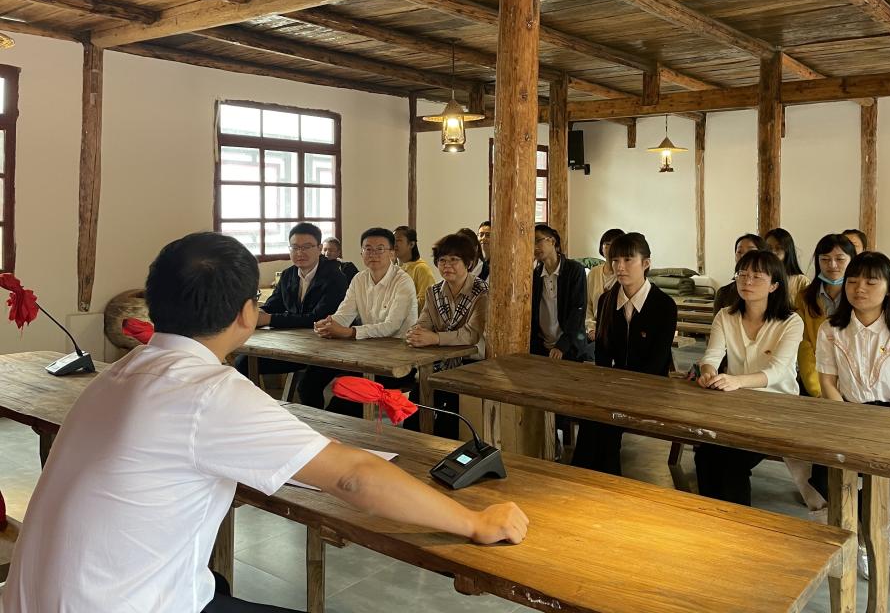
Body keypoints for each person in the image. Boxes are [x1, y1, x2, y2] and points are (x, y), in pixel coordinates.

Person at [0, 232, 527, 613]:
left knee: (220, 585)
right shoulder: (207, 391)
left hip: (37, 598)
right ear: (247, 313)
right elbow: (354, 477)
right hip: (122, 603)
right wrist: (476, 522)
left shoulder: (120, 374)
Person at [815, 251, 890, 578]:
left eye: (870, 282)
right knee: (825, 475)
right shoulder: (831, 329)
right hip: (846, 412)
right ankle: (862, 529)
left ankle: (875, 533)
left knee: (885, 482)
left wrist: (882, 429)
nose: (859, 289)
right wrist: (846, 418)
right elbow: (827, 382)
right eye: (852, 281)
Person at [694, 250, 802, 506]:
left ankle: (736, 524)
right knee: (705, 456)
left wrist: (737, 381)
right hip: (734, 406)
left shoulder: (791, 322)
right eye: (742, 275)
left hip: (777, 408)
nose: (747, 281)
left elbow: (777, 371)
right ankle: (709, 519)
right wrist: (708, 372)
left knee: (732, 463)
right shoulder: (725, 315)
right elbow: (712, 355)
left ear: (774, 285)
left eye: (757, 277)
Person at [571, 233, 677, 474]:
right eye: (615, 260)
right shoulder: (606, 300)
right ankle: (586, 478)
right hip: (614, 384)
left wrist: (621, 388)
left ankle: (598, 480)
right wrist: (606, 386)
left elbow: (658, 360)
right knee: (591, 415)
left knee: (605, 423)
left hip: (650, 386)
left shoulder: (664, 305)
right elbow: (602, 353)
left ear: (646, 263)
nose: (620, 267)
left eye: (628, 260)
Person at [305, 228, 418, 413]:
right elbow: (344, 314)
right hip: (364, 354)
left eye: (380, 249)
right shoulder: (359, 279)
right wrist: (329, 324)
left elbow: (391, 326)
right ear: (361, 253)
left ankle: (339, 428)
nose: (373, 254)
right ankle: (311, 427)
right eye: (368, 249)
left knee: (344, 403)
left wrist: (350, 332)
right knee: (310, 380)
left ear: (392, 253)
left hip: (397, 360)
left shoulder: (403, 281)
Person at [233, 223, 351, 395]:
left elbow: (318, 318)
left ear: (319, 249)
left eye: (306, 247)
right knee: (243, 362)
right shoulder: (288, 274)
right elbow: (273, 305)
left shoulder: (335, 277)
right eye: (295, 247)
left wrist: (270, 319)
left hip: (329, 348)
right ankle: (257, 407)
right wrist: (258, 313)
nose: (300, 253)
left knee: (307, 388)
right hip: (296, 346)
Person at [405, 232, 489, 438]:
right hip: (440, 360)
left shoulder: (482, 292)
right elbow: (424, 322)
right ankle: (414, 448)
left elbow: (471, 334)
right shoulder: (434, 292)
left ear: (468, 263)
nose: (447, 266)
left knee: (449, 419)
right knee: (412, 409)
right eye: (442, 260)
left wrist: (435, 338)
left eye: (454, 260)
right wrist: (416, 333)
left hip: (472, 363)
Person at [794, 234, 857, 398]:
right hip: (816, 381)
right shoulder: (805, 298)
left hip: (856, 385)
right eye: (825, 259)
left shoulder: (860, 297)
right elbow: (805, 345)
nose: (832, 265)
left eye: (840, 259)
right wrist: (818, 388)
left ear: (852, 260)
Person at [530, 224, 587, 362]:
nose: (534, 247)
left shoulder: (575, 270)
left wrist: (562, 345)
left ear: (552, 241)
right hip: (541, 348)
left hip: (569, 347)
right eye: (530, 243)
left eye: (537, 240)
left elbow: (578, 310)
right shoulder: (534, 275)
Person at [585, 228, 626, 342]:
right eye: (606, 244)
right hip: (594, 331)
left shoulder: (625, 275)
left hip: (618, 332)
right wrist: (591, 329)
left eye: (615, 244)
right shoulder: (594, 272)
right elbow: (587, 305)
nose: (610, 248)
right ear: (601, 248)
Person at [713, 234, 767, 317]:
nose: (743, 256)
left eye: (750, 252)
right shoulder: (724, 293)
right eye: (739, 252)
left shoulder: (772, 291)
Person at [765, 227, 810, 304]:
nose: (772, 252)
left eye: (778, 248)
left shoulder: (801, 282)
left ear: (788, 251)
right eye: (769, 248)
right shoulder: (758, 278)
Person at [394, 226, 434, 311]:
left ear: (411, 244)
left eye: (398, 240)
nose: (394, 244)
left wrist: (399, 307)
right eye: (392, 240)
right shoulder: (395, 269)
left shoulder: (421, 269)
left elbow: (426, 301)